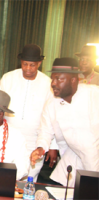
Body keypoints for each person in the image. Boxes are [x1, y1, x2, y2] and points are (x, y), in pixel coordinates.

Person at [30, 57, 99, 187]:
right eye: (53, 78)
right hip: (73, 156)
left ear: (73, 80)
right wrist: (40, 148)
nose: (53, 83)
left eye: (59, 79)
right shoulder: (51, 104)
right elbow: (45, 131)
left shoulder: (93, 94)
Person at [0, 44, 58, 181]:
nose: (28, 69)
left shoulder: (48, 84)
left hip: (35, 141)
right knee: (4, 179)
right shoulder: (8, 78)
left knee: (28, 182)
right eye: (25, 64)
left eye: (32, 65)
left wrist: (53, 146)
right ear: (21, 62)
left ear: (39, 63)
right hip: (8, 138)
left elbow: (53, 117)